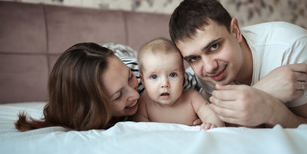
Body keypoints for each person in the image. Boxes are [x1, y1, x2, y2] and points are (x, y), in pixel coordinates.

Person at [169, 0, 307, 128]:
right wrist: (262, 93)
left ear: (235, 31)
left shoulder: (292, 47)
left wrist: (275, 113)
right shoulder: (205, 70)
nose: (209, 67)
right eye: (193, 58)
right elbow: (233, 118)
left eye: (214, 46)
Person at [15, 42, 200, 131]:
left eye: (130, 79)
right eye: (118, 96)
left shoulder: (143, 75)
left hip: (120, 54)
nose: (135, 95)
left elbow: (194, 81)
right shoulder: (79, 114)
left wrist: (196, 110)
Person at [132, 38, 225, 129]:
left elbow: (213, 117)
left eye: (172, 75)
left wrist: (211, 125)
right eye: (154, 77)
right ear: (143, 81)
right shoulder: (144, 104)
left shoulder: (192, 98)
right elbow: (140, 133)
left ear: (183, 76)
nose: (164, 84)